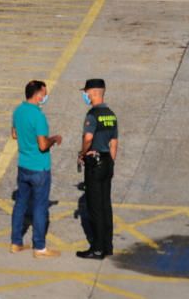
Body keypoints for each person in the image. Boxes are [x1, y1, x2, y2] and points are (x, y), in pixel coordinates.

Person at [10, 80, 62, 257]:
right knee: (40, 207)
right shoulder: (38, 116)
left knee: (21, 204)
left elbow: (14, 134)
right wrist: (54, 139)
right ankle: (39, 247)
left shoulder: (18, 111)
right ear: (38, 94)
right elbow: (42, 145)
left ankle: (16, 242)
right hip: (39, 167)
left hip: (23, 165)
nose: (45, 97)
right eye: (44, 93)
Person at [76, 78, 118, 260]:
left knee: (94, 208)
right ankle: (107, 246)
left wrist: (82, 154)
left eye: (86, 92)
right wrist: (110, 163)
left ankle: (97, 248)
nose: (84, 95)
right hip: (108, 161)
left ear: (93, 93)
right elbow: (114, 143)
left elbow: (87, 138)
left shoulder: (92, 115)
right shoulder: (111, 114)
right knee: (105, 205)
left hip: (94, 163)